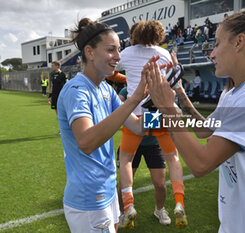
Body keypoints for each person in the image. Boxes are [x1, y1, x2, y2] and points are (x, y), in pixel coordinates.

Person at [145, 4, 245, 232]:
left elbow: (201, 164)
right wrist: (179, 91)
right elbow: (204, 130)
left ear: (239, 42)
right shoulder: (235, 93)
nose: (212, 53)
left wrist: (167, 108)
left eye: (217, 43)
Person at [56, 17, 151, 233]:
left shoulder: (106, 90)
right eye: (111, 50)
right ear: (89, 52)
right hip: (89, 198)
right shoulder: (76, 91)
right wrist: (134, 99)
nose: (118, 57)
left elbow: (137, 126)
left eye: (119, 50)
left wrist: (161, 108)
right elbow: (87, 141)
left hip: (107, 191)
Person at [116, 20, 188, 229]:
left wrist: (125, 77)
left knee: (125, 160)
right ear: (159, 34)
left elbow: (111, 69)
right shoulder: (164, 54)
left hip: (135, 114)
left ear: (135, 34)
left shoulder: (127, 53)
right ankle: (179, 202)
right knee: (173, 157)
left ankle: (128, 205)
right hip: (157, 114)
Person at [116, 87, 171, 227]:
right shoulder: (128, 89)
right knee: (124, 183)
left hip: (153, 143)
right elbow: (117, 104)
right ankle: (122, 212)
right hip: (131, 140)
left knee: (160, 184)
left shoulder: (160, 90)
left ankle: (160, 210)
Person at [48, 61, 67, 135]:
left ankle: (65, 129)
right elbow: (52, 86)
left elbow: (66, 86)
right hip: (54, 96)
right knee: (58, 114)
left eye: (52, 66)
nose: (51, 67)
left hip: (61, 96)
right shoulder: (52, 75)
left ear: (57, 66)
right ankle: (62, 130)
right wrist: (49, 96)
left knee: (63, 113)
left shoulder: (62, 75)